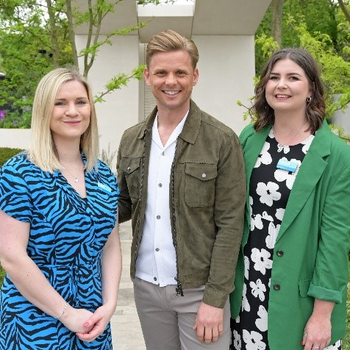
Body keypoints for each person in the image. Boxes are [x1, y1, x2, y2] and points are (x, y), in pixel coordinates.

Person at [116, 29, 246, 349]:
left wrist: (215, 299)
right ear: (147, 76)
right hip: (147, 289)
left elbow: (231, 223)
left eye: (180, 72)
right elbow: (120, 204)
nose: (170, 81)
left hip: (199, 292)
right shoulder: (131, 138)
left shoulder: (221, 139)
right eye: (161, 72)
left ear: (195, 76)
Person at [230, 48, 350, 350]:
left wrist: (322, 315)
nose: (281, 85)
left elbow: (335, 241)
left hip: (301, 304)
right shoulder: (249, 138)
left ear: (310, 89)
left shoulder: (337, 154)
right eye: (274, 77)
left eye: (292, 78)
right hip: (247, 293)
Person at [0, 67, 122, 349]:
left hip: (92, 319)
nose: (72, 111)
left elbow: (110, 244)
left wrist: (110, 304)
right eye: (60, 103)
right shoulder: (18, 173)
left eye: (80, 102)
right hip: (33, 321)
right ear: (44, 109)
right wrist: (66, 314)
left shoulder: (102, 174)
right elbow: (11, 256)